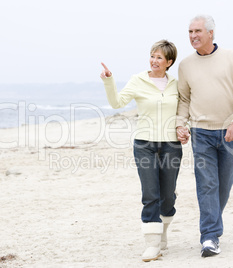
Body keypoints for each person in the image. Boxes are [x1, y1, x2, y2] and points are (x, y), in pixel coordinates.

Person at [100, 40, 185, 262]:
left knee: (168, 196)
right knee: (150, 194)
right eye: (152, 56)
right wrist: (109, 81)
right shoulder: (138, 80)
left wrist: (184, 128)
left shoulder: (176, 83)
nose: (154, 61)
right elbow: (117, 103)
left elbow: (184, 110)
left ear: (169, 62)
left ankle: (162, 235)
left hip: (171, 144)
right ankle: (151, 245)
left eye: (159, 58)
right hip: (145, 144)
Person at [176, 15, 233, 257]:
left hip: (230, 132)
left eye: (197, 31)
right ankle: (209, 237)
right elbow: (184, 99)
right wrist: (180, 124)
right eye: (189, 31)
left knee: (224, 185)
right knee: (207, 184)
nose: (193, 36)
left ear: (211, 33)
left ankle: (212, 227)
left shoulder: (232, 58)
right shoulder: (186, 65)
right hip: (201, 133)